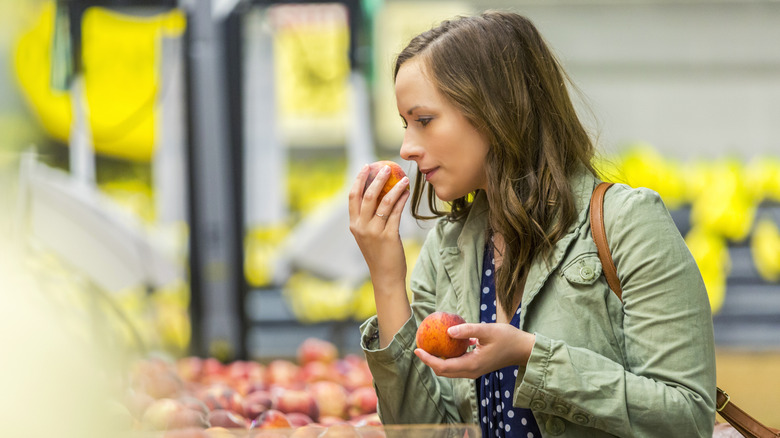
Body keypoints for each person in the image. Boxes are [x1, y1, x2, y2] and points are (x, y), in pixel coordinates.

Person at [348, 10, 716, 438]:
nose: (406, 148)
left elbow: (687, 419)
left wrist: (531, 356)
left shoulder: (626, 225)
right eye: (405, 124)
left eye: (424, 120)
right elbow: (423, 432)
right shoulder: (447, 249)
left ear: (494, 110)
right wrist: (387, 279)